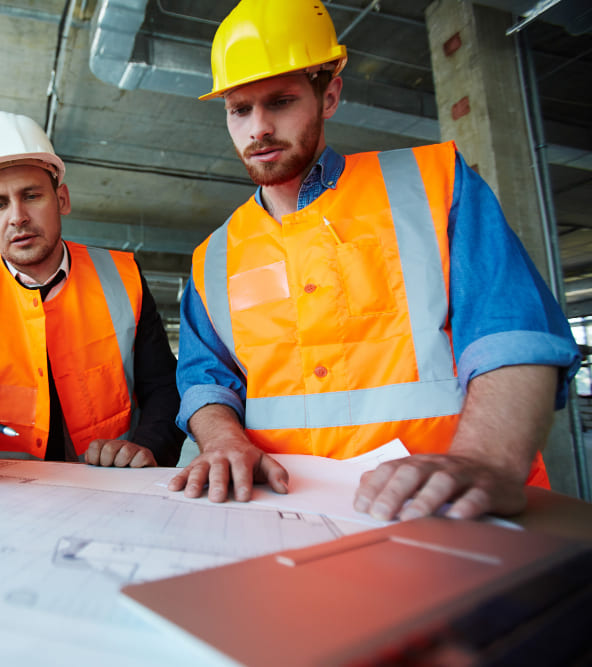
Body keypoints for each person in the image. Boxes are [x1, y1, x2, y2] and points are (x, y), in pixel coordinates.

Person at [170, 0, 580, 521]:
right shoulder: (214, 255)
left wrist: (486, 459)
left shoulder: (435, 184)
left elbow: (510, 332)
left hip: (442, 509)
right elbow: (207, 379)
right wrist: (223, 440)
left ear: (330, 95)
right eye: (240, 109)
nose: (259, 129)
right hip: (279, 513)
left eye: (280, 101)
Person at [0, 111, 183, 475]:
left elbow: (164, 388)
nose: (17, 216)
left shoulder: (123, 276)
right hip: (1, 488)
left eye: (31, 195)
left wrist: (147, 446)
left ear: (62, 200)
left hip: (113, 484)